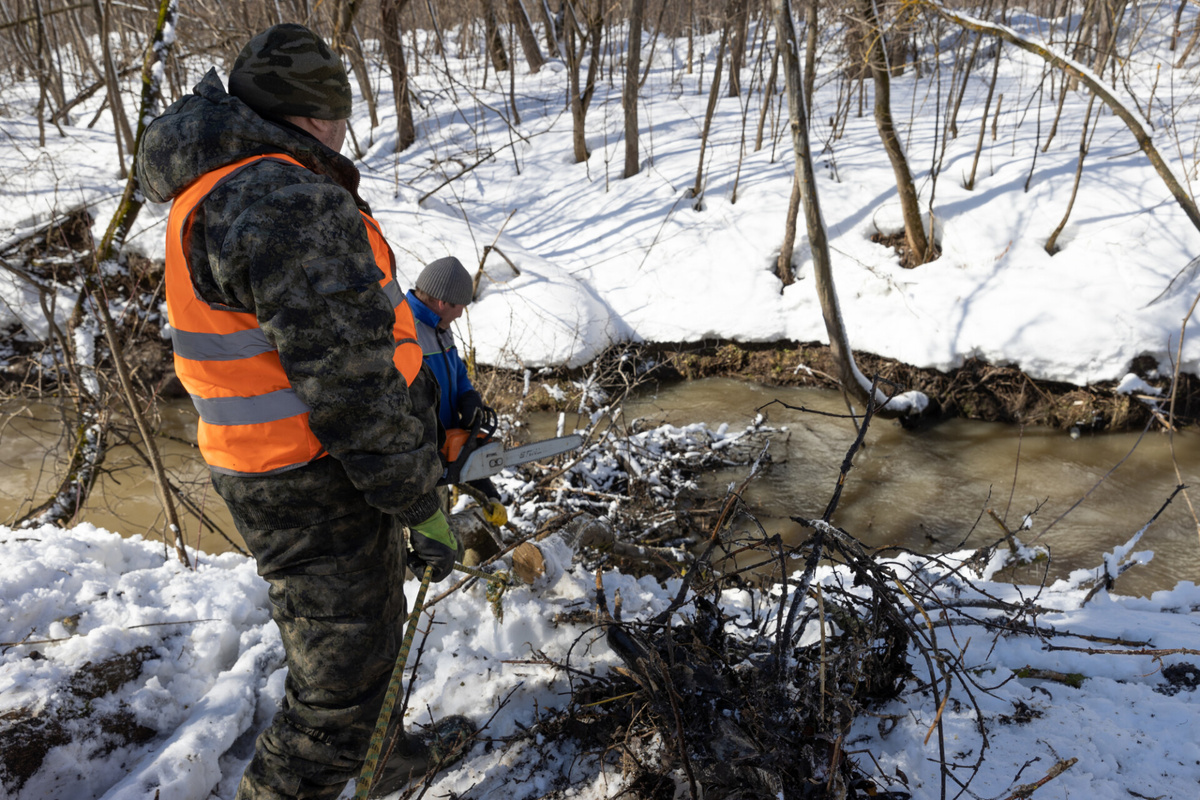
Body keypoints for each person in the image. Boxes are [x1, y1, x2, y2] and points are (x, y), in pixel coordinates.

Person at [137, 24, 473, 800]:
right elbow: (350, 386)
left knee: (364, 642)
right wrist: (418, 500)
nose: (344, 130)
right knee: (333, 702)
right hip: (310, 478)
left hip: (290, 465)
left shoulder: (225, 183)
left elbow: (354, 348)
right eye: (340, 113)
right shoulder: (283, 198)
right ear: (315, 115)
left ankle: (379, 758)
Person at [407, 257, 507, 531]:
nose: (462, 314)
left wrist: (468, 397)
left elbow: (457, 373)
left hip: (440, 461)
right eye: (460, 306)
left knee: (445, 542)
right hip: (413, 471)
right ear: (442, 302)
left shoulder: (440, 328)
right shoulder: (403, 331)